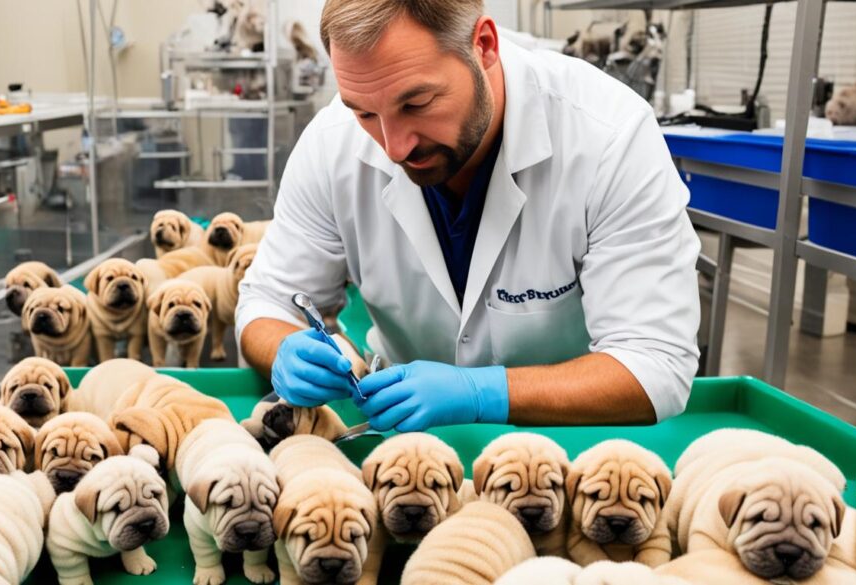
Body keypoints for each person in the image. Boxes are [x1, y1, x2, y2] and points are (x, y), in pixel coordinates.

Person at [235, 0, 700, 432]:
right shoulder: (331, 144)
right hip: (403, 451)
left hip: (570, 449)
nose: (394, 146)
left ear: (484, 46)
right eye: (364, 114)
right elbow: (269, 302)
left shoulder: (608, 136)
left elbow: (654, 365)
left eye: (416, 104)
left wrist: (483, 393)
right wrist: (283, 350)